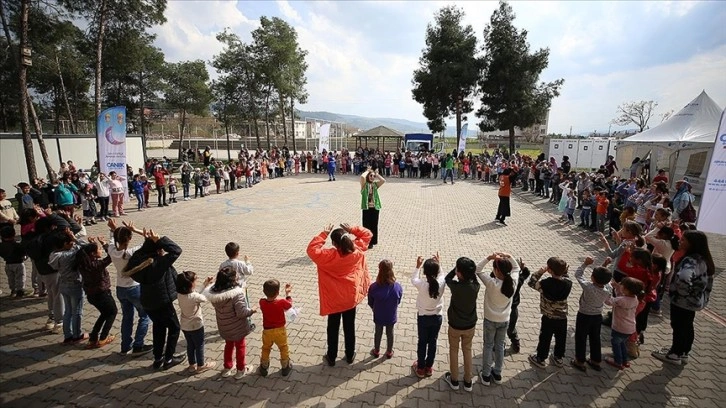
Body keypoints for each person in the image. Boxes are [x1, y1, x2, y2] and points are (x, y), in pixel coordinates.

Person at [306, 223, 372, 366]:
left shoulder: (328, 256)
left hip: (333, 300)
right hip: (350, 298)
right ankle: (349, 355)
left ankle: (331, 356)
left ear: (335, 244)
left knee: (333, 327)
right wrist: (352, 229)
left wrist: (323, 234)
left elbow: (311, 250)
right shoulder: (357, 250)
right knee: (350, 326)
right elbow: (368, 234)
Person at [125, 229, 186, 370]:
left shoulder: (139, 262)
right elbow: (177, 250)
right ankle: (169, 359)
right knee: (174, 328)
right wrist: (160, 240)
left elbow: (140, 252)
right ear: (158, 250)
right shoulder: (157, 263)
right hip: (162, 302)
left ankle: (158, 359)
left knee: (158, 328)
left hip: (148, 302)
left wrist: (150, 241)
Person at [652, 230, 715, 365]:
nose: (680, 241)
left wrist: (682, 292)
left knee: (679, 326)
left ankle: (674, 354)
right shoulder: (703, 259)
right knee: (687, 326)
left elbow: (684, 277)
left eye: (683, 240)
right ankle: (684, 352)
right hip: (694, 302)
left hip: (683, 301)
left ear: (692, 243)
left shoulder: (690, 260)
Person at [106, 220, 152, 355]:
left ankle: (125, 346)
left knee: (127, 317)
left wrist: (114, 230)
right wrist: (135, 229)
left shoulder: (112, 250)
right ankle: (138, 345)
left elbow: (110, 240)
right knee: (144, 315)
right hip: (134, 287)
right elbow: (149, 240)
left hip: (120, 288)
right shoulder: (132, 252)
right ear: (129, 238)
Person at [476, 253, 520, 386]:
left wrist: (489, 257)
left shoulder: (491, 283)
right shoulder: (513, 281)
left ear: (496, 270)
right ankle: (498, 373)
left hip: (490, 320)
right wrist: (509, 256)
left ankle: (486, 375)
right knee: (500, 346)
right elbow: (517, 268)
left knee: (488, 346)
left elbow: (478, 269)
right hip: (504, 320)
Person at [206, 266, 256, 379]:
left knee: (228, 345)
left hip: (224, 326)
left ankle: (227, 367)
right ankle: (241, 369)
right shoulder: (236, 294)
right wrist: (252, 310)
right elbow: (241, 312)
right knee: (240, 347)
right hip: (237, 327)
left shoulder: (215, 294)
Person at [442, 257, 479, 392]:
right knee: (467, 350)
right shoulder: (476, 286)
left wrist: (454, 270)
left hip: (455, 325)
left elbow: (447, 279)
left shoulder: (456, 287)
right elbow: (474, 277)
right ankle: (468, 381)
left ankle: (454, 380)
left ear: (459, 273)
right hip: (470, 325)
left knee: (454, 350)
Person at [528, 257, 572, 368]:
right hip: (562, 317)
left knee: (545, 338)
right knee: (561, 337)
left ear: (550, 270)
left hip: (548, 317)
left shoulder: (545, 284)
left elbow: (532, 282)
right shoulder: (568, 283)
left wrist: (540, 272)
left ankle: (541, 358)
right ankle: (558, 357)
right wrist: (564, 270)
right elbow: (565, 276)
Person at [571, 257, 613, 372]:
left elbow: (578, 275)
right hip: (597, 317)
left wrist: (585, 264)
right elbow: (605, 279)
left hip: (584, 315)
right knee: (595, 338)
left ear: (592, 278)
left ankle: (580, 361)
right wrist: (605, 264)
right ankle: (595, 360)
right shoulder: (608, 289)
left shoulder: (588, 287)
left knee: (581, 338)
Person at [77, 238, 117, 349]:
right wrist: (105, 244)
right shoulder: (96, 265)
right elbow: (112, 256)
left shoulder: (84, 264)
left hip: (91, 295)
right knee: (112, 312)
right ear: (93, 254)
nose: (100, 250)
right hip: (102, 294)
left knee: (104, 314)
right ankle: (103, 337)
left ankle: (93, 338)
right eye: (98, 249)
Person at [49, 228, 86, 343]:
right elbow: (87, 247)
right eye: (71, 242)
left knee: (68, 311)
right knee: (77, 312)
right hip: (75, 285)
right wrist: (75, 238)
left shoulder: (54, 255)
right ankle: (76, 335)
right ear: (65, 244)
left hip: (63, 284)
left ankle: (67, 335)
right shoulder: (70, 254)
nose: (73, 243)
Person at [411, 254, 445, 378]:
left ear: (425, 272)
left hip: (423, 317)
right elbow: (442, 274)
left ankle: (420, 368)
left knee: (422, 342)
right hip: (437, 317)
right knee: (433, 342)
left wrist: (417, 266)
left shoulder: (422, 284)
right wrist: (439, 264)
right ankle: (429, 367)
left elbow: (413, 279)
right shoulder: (441, 282)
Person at [177, 271, 216, 373]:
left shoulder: (180, 294)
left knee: (190, 345)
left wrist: (204, 284)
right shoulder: (194, 297)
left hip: (185, 325)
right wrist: (210, 286)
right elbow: (204, 298)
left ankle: (192, 365)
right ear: (190, 284)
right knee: (199, 345)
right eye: (195, 280)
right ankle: (201, 365)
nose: (196, 282)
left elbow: (195, 293)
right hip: (196, 325)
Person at [605, 277, 644, 370]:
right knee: (622, 343)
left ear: (626, 289)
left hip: (619, 327)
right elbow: (620, 296)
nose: (620, 284)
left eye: (622, 285)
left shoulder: (622, 300)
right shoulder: (634, 299)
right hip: (630, 328)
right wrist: (617, 288)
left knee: (616, 344)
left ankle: (618, 361)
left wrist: (607, 289)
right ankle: (624, 361)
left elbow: (609, 301)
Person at [367, 259, 403, 359]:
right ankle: (389, 351)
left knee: (378, 332)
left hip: (378, 314)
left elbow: (370, 302)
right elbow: (398, 301)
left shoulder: (374, 287)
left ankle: (376, 350)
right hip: (391, 315)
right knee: (390, 333)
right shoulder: (397, 287)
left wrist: (375, 308)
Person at [259, 279, 294, 377]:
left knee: (266, 348)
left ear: (264, 291)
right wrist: (288, 293)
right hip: (280, 330)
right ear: (278, 292)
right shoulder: (281, 302)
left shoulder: (262, 302)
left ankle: (264, 366)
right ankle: (285, 365)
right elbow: (289, 305)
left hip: (267, 331)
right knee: (283, 347)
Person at [360, 168, 386, 249]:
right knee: (366, 225)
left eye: (373, 176)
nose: (372, 177)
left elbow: (383, 180)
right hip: (366, 208)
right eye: (371, 176)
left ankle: (373, 241)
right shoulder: (364, 185)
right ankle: (366, 241)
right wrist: (368, 171)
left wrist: (377, 174)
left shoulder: (375, 185)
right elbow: (362, 177)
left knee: (374, 225)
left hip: (375, 207)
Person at [0, 226, 26, 297]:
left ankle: (13, 290)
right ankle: (20, 291)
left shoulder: (1, 245)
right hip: (18, 263)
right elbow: (23, 252)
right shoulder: (17, 245)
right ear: (13, 234)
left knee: (11, 278)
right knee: (20, 277)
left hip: (8, 264)